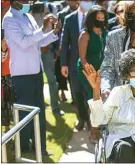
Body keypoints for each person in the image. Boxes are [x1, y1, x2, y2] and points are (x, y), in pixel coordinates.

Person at [2, 0, 61, 155]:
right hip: (22, 74)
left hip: (36, 71)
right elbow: (23, 42)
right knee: (25, 115)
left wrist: (53, 33)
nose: (28, 2)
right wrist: (42, 28)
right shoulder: (8, 19)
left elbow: (39, 42)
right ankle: (23, 149)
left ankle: (40, 148)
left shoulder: (28, 16)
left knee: (39, 113)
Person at [60, 0, 94, 131]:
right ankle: (82, 119)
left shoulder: (94, 16)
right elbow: (64, 42)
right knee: (77, 94)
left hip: (92, 64)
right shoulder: (69, 19)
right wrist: (63, 64)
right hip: (74, 64)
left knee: (90, 95)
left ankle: (93, 123)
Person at [77, 5, 108, 100]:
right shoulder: (85, 34)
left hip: (102, 69)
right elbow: (83, 59)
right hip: (88, 70)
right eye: (98, 18)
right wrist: (91, 74)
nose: (101, 20)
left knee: (104, 96)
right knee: (93, 97)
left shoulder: (105, 32)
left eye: (103, 18)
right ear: (92, 19)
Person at [56, 0, 78, 102]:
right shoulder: (62, 15)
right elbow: (61, 36)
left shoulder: (87, 13)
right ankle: (75, 99)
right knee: (71, 78)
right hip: (70, 52)